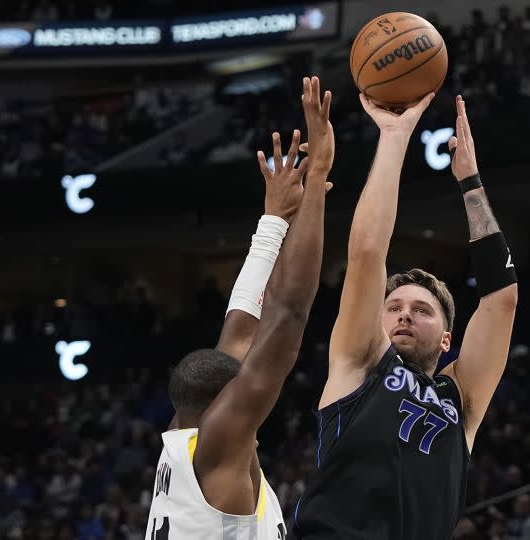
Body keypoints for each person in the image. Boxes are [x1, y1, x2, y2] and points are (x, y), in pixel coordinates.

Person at [292, 93, 519, 538]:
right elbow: (366, 253)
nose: (404, 316)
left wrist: (471, 182)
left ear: (447, 338)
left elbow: (501, 300)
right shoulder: (358, 364)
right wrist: (395, 136)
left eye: (421, 310)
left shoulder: (462, 400)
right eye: (393, 307)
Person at [145, 76, 334, 539]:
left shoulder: (181, 437)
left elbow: (240, 327)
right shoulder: (217, 453)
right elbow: (288, 314)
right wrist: (317, 179)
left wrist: (273, 221)